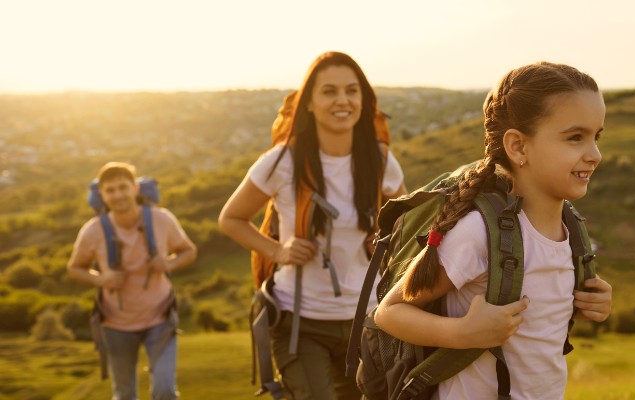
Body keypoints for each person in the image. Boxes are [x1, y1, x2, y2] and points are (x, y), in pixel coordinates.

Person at [374, 62, 613, 399]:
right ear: (518, 147)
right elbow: (389, 312)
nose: (595, 154)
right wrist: (463, 333)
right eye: (575, 138)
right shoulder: (479, 233)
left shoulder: (571, 230)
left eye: (596, 136)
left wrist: (592, 303)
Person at [218, 51, 407, 400]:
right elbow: (231, 218)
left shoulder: (380, 159)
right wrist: (278, 250)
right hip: (299, 322)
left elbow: (407, 224)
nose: (342, 100)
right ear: (308, 102)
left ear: (364, 100)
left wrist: (387, 239)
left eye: (351, 91)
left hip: (368, 319)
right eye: (329, 91)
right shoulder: (283, 161)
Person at [67, 162, 197, 400]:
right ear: (102, 195)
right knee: (124, 395)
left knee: (165, 391)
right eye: (110, 190)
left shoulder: (161, 219)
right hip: (115, 324)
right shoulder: (92, 230)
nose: (118, 195)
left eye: (123, 187)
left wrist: (168, 264)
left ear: (135, 188)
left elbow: (188, 251)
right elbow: (75, 268)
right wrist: (102, 279)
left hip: (160, 318)